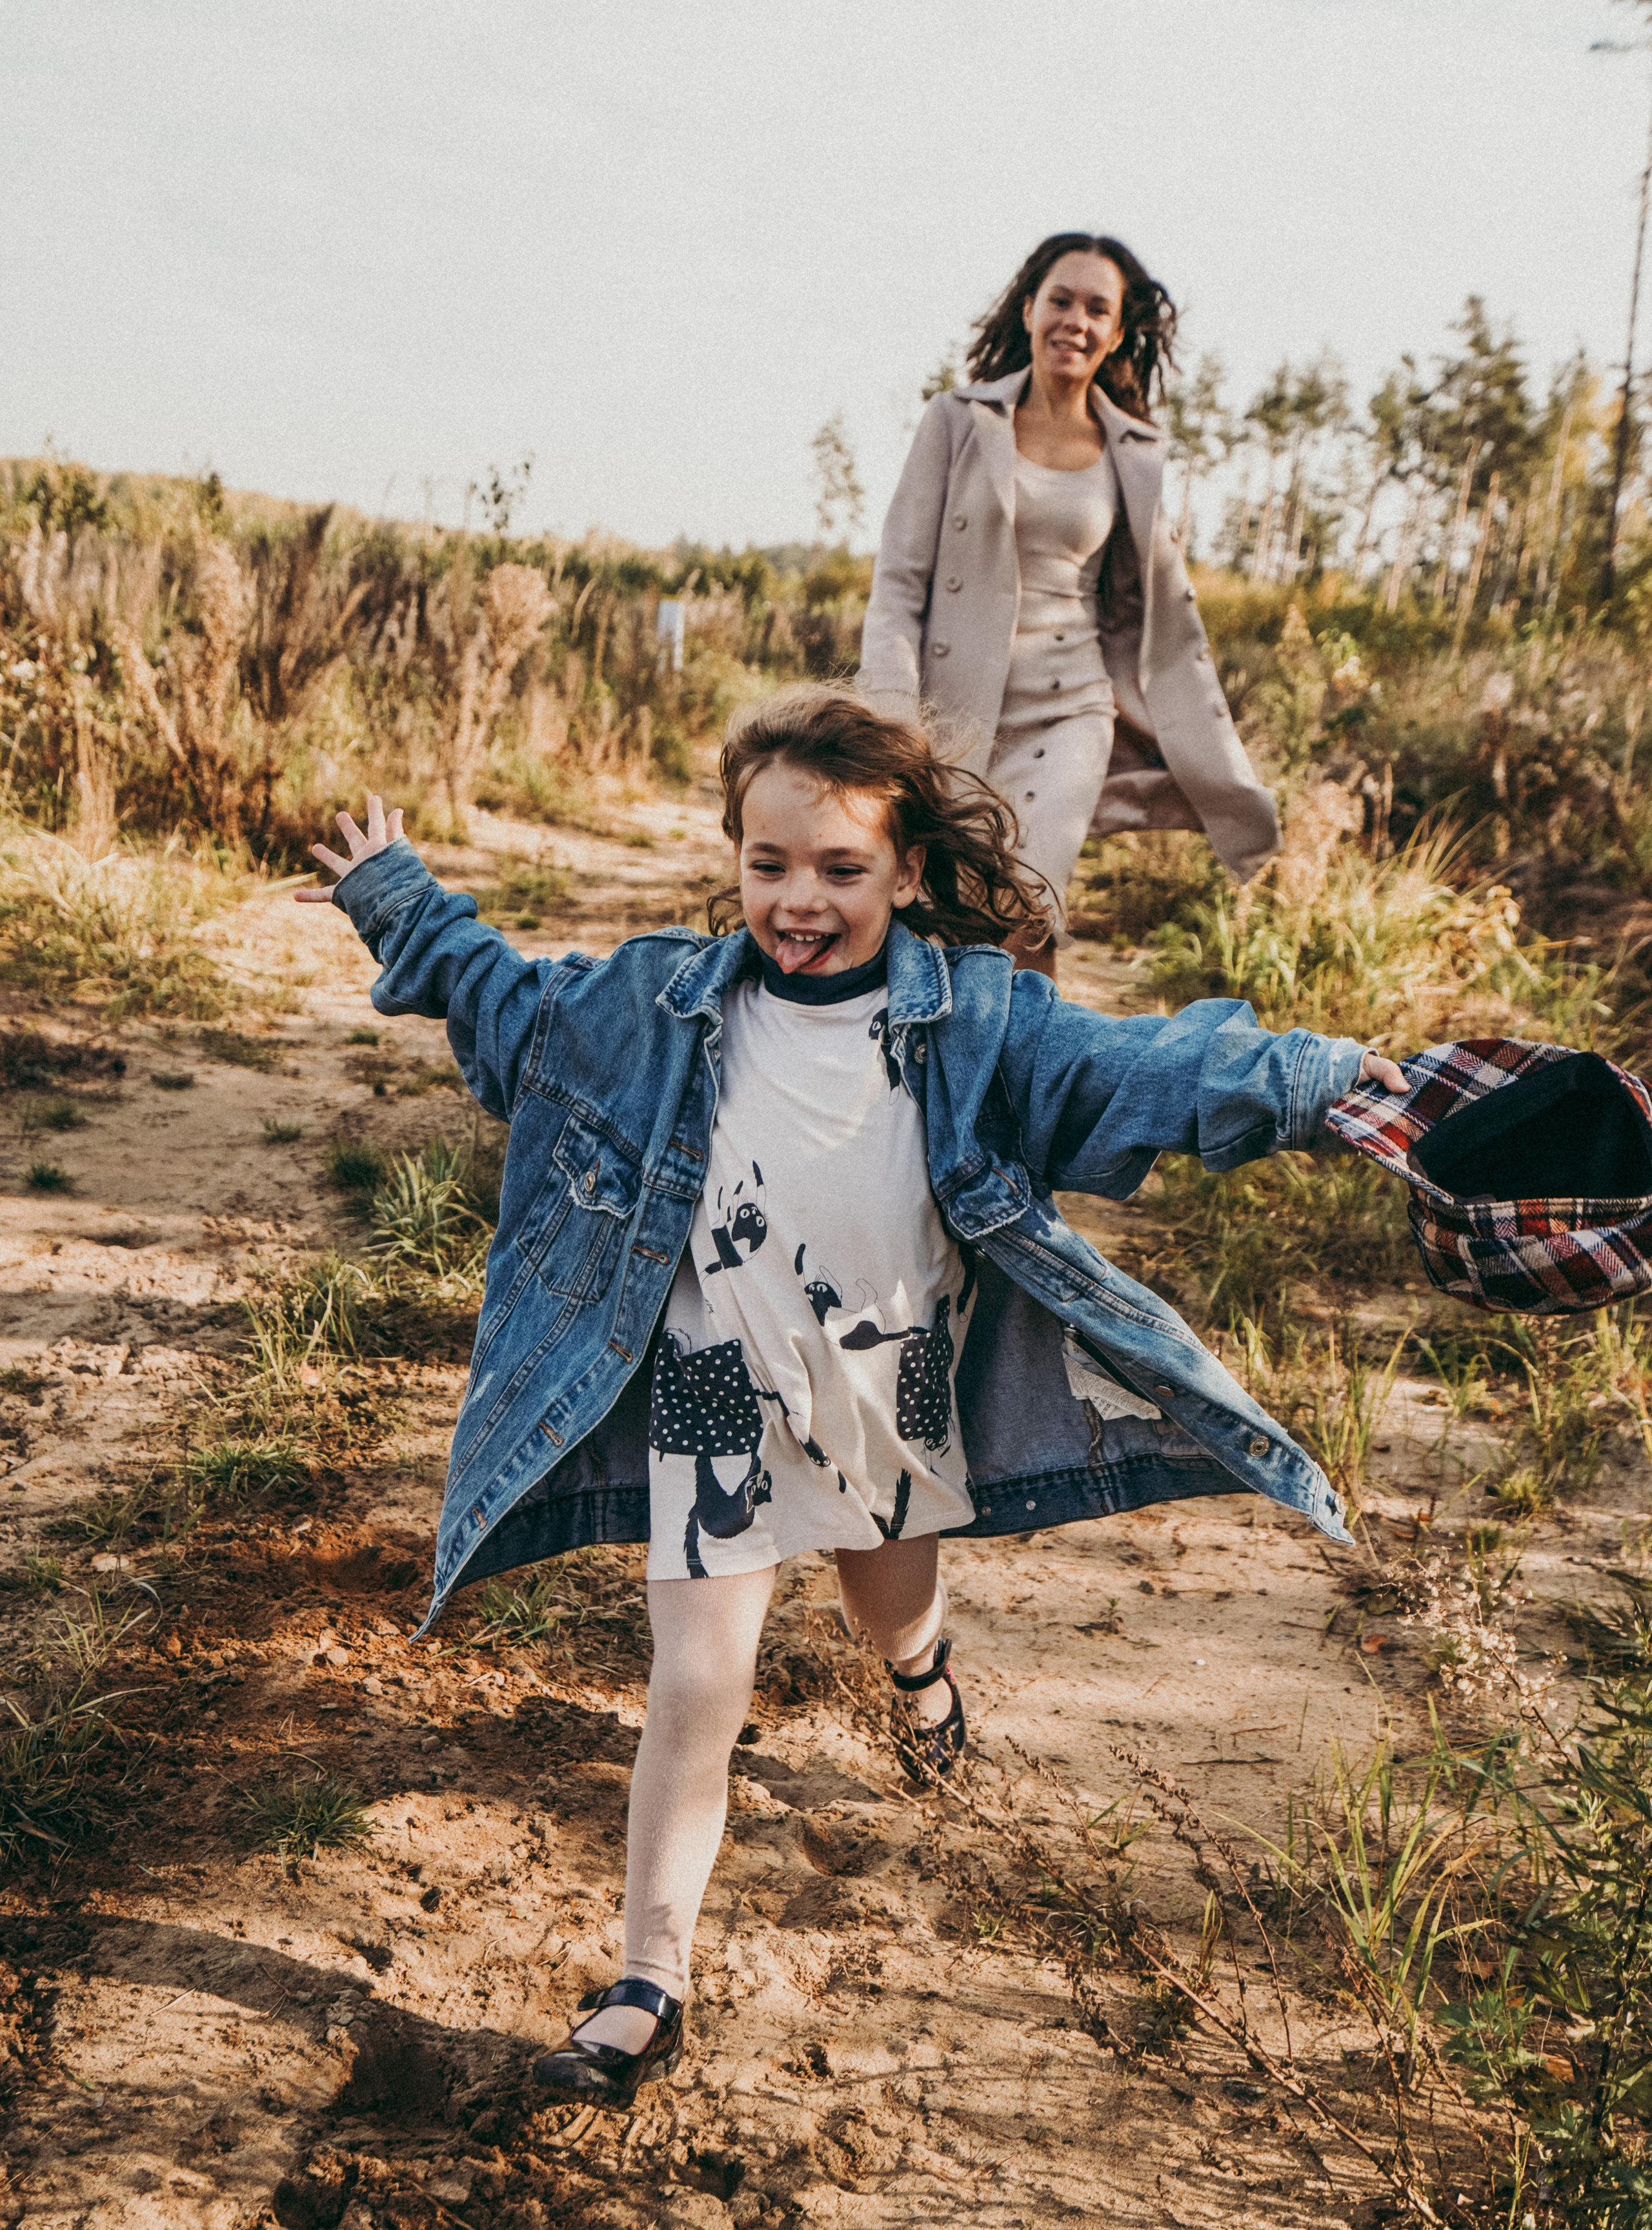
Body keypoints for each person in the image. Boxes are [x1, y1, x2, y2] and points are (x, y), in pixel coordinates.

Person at [298, 689, 1405, 2110]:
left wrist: (1312, 1081)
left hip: (886, 1380)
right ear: (735, 857)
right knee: (696, 1682)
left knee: (889, 1595)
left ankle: (921, 1679)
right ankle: (648, 1980)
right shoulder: (656, 1007)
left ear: (904, 870)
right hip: (712, 1383)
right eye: (768, 864)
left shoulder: (974, 1020)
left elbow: (1137, 1064)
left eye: (839, 868)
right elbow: (511, 1006)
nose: (799, 900)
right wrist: (397, 898)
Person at [860, 230, 1280, 973]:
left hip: (1071, 711)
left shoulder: (1134, 452)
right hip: (953, 718)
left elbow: (1146, 610)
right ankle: (957, 1047)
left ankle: (1033, 1049)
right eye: (1060, 300)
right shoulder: (958, 421)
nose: (1075, 321)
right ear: (1029, 309)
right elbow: (898, 584)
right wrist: (893, 722)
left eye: (1096, 309)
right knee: (954, 913)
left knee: (1029, 904)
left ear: (1116, 333)